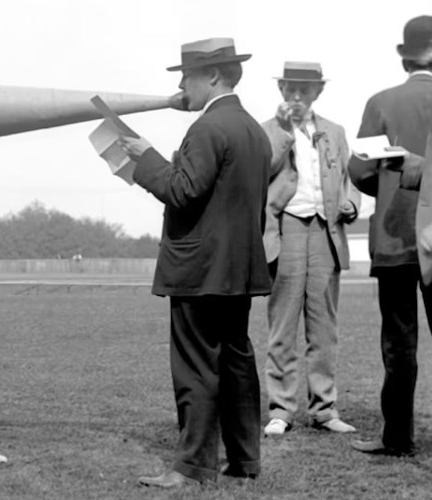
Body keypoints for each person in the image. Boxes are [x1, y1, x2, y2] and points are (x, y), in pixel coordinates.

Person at [118, 37, 272, 488]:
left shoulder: (207, 129)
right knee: (237, 366)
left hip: (199, 272)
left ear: (213, 76)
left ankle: (191, 467)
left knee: (195, 369)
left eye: (186, 76)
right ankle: (244, 461)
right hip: (239, 271)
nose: (183, 85)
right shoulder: (253, 130)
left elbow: (183, 191)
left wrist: (145, 160)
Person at [347, 15, 432, 457]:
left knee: (399, 345)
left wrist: (386, 185)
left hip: (395, 237)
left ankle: (397, 437)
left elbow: (360, 169)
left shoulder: (381, 101)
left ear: (405, 56)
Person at [261, 61, 360, 437]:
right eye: (290, 90)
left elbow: (349, 179)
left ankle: (324, 409)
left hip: (325, 231)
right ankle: (281, 410)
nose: (297, 97)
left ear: (318, 92)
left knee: (324, 327)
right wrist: (285, 131)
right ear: (282, 91)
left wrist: (349, 203)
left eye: (304, 90)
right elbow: (264, 169)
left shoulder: (334, 131)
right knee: (283, 325)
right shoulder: (267, 130)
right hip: (285, 230)